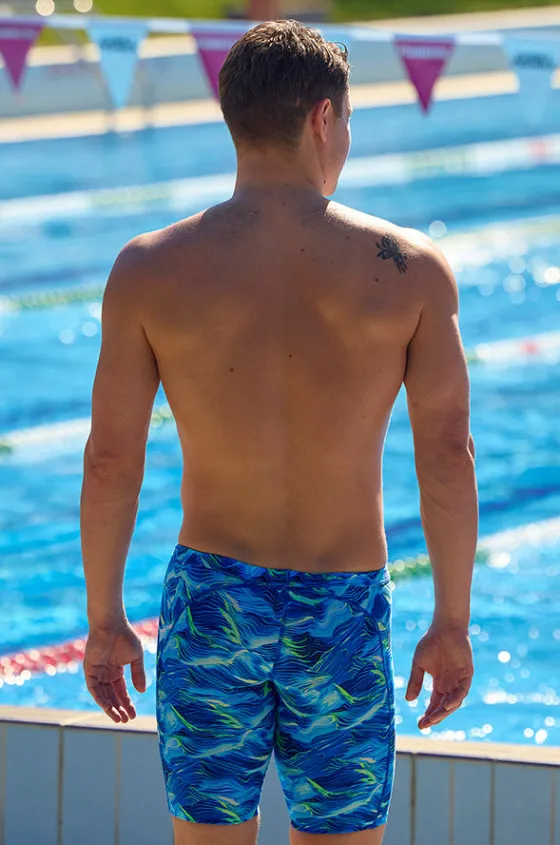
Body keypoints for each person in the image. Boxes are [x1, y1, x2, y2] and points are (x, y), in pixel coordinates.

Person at [80, 19, 478, 845]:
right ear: (323, 118)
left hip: (212, 601)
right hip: (342, 603)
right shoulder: (409, 270)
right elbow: (446, 454)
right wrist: (451, 621)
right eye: (349, 122)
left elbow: (112, 457)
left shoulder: (148, 267)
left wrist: (106, 616)